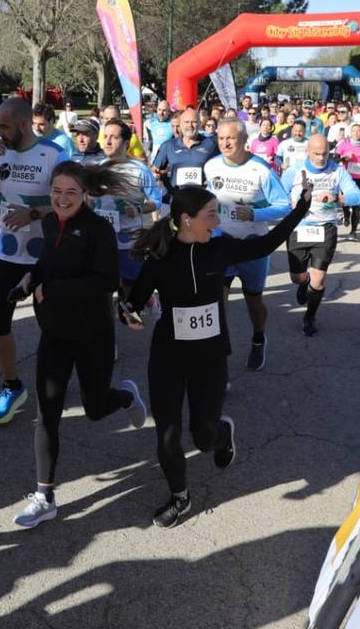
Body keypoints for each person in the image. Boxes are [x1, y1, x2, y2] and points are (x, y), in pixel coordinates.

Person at [126, 183, 311, 527]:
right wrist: (129, 313)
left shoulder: (221, 248)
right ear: (186, 220)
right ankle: (180, 497)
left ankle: (222, 434)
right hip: (168, 355)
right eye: (211, 213)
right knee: (167, 432)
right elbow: (133, 301)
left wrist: (301, 208)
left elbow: (266, 244)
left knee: (203, 437)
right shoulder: (160, 257)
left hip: (210, 356)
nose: (218, 219)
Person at [9, 161, 148, 528]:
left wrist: (50, 289)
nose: (62, 198)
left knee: (96, 408)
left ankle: (127, 397)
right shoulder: (51, 222)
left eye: (71, 192)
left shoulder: (97, 229)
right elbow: (48, 263)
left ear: (85, 194)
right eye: (56, 191)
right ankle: (44, 495)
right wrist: (29, 281)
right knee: (47, 414)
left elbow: (105, 282)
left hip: (92, 335)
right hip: (54, 333)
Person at [0, 98, 67, 423]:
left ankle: (55, 381)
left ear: (24, 125)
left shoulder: (54, 154)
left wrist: (33, 213)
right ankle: (12, 385)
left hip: (46, 255)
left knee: (52, 326)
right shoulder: (0, 153)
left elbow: (70, 203)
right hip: (10, 254)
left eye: (3, 126)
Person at [203, 118, 293, 370]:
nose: (225, 143)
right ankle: (219, 352)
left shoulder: (261, 169)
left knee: (253, 301)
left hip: (253, 245)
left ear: (244, 140)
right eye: (221, 138)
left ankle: (258, 337)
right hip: (221, 243)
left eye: (230, 138)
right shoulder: (210, 166)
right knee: (218, 300)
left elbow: (284, 206)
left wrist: (254, 214)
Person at [279, 134, 360, 337]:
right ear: (308, 152)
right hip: (298, 228)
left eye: (325, 153)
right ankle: (303, 282)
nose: (321, 157)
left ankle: (310, 317)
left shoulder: (337, 171)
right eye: (316, 153)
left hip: (325, 229)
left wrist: (337, 197)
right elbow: (279, 196)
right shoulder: (294, 171)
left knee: (319, 279)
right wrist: (289, 205)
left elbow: (359, 196)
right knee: (296, 277)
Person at [90, 120, 162, 297]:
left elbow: (156, 201)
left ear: (126, 143)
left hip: (128, 241)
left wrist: (139, 209)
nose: (107, 142)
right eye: (105, 136)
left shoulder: (139, 169)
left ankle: (136, 311)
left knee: (130, 288)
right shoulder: (97, 168)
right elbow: (90, 201)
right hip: (103, 240)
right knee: (102, 286)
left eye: (114, 137)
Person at [151, 108, 218, 192]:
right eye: (186, 122)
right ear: (181, 124)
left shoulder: (211, 144)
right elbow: (154, 170)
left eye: (194, 122)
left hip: (203, 199)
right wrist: (157, 174)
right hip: (176, 197)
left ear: (200, 124)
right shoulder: (168, 145)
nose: (190, 125)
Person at [334, 124, 360, 240]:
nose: (356, 133)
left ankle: (353, 232)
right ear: (350, 132)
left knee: (356, 204)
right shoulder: (344, 144)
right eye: (354, 131)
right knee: (346, 201)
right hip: (346, 177)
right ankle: (346, 215)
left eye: (359, 131)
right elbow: (335, 159)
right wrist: (344, 158)